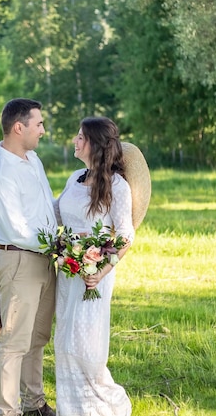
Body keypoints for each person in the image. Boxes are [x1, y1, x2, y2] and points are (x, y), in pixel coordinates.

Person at [0, 98, 58, 416]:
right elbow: (17, 229)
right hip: (20, 262)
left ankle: (34, 404)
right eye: (38, 123)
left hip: (44, 259)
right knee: (13, 342)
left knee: (37, 337)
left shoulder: (33, 159)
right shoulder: (0, 175)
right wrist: (61, 242)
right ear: (19, 127)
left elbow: (45, 208)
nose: (43, 130)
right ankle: (7, 411)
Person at [54, 116, 135, 415]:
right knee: (64, 341)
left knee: (87, 346)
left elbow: (126, 236)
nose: (75, 141)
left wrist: (101, 271)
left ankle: (103, 406)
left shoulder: (117, 186)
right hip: (68, 273)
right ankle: (71, 409)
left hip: (95, 276)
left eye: (80, 137)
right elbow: (57, 214)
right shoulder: (74, 177)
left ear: (95, 144)